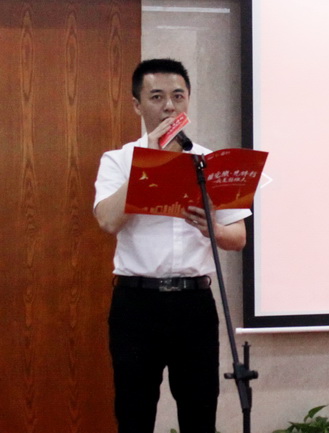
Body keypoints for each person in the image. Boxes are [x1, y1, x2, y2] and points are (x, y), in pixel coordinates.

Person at [93, 58, 249, 433]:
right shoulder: (118, 161)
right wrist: (148, 162)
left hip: (194, 303)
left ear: (188, 100)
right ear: (137, 105)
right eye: (157, 97)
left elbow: (238, 238)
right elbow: (108, 221)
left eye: (178, 96)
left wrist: (212, 228)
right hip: (136, 303)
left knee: (200, 414)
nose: (169, 107)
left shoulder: (211, 162)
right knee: (134, 413)